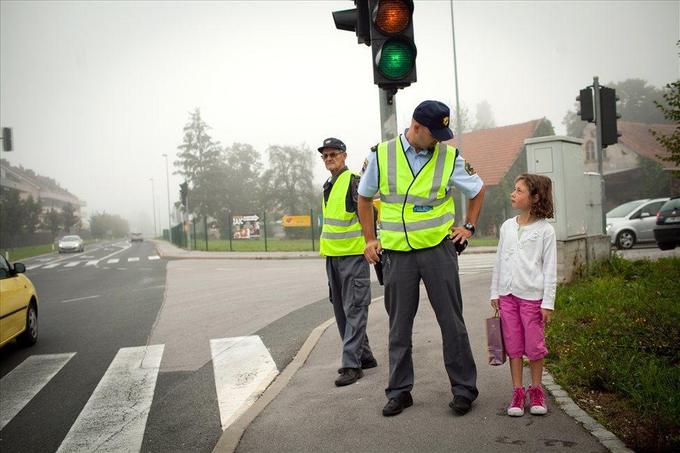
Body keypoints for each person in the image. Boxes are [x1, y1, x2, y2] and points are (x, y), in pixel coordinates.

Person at [357, 100, 486, 417]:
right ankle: (399, 391)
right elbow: (363, 196)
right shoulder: (382, 154)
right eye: (436, 133)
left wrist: (468, 226)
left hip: (438, 250)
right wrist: (370, 239)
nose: (441, 139)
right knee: (398, 327)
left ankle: (464, 389)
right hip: (398, 254)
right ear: (416, 127)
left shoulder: (449, 156)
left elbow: (478, 190)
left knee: (451, 323)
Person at [489, 173, 556, 417]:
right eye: (514, 190)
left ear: (535, 197)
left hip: (532, 298)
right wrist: (495, 291)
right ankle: (518, 391)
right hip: (507, 296)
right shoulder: (507, 226)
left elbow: (549, 269)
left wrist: (547, 303)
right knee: (514, 345)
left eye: (519, 191)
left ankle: (536, 390)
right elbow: (499, 261)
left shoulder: (545, 231)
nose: (513, 194)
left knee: (535, 346)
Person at [319, 137, 378, 387]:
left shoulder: (353, 181)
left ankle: (351, 365)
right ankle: (364, 356)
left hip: (354, 256)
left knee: (354, 309)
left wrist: (371, 242)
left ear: (344, 156)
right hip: (333, 257)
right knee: (342, 310)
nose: (329, 158)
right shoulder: (328, 185)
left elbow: (368, 212)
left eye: (334, 154)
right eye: (325, 155)